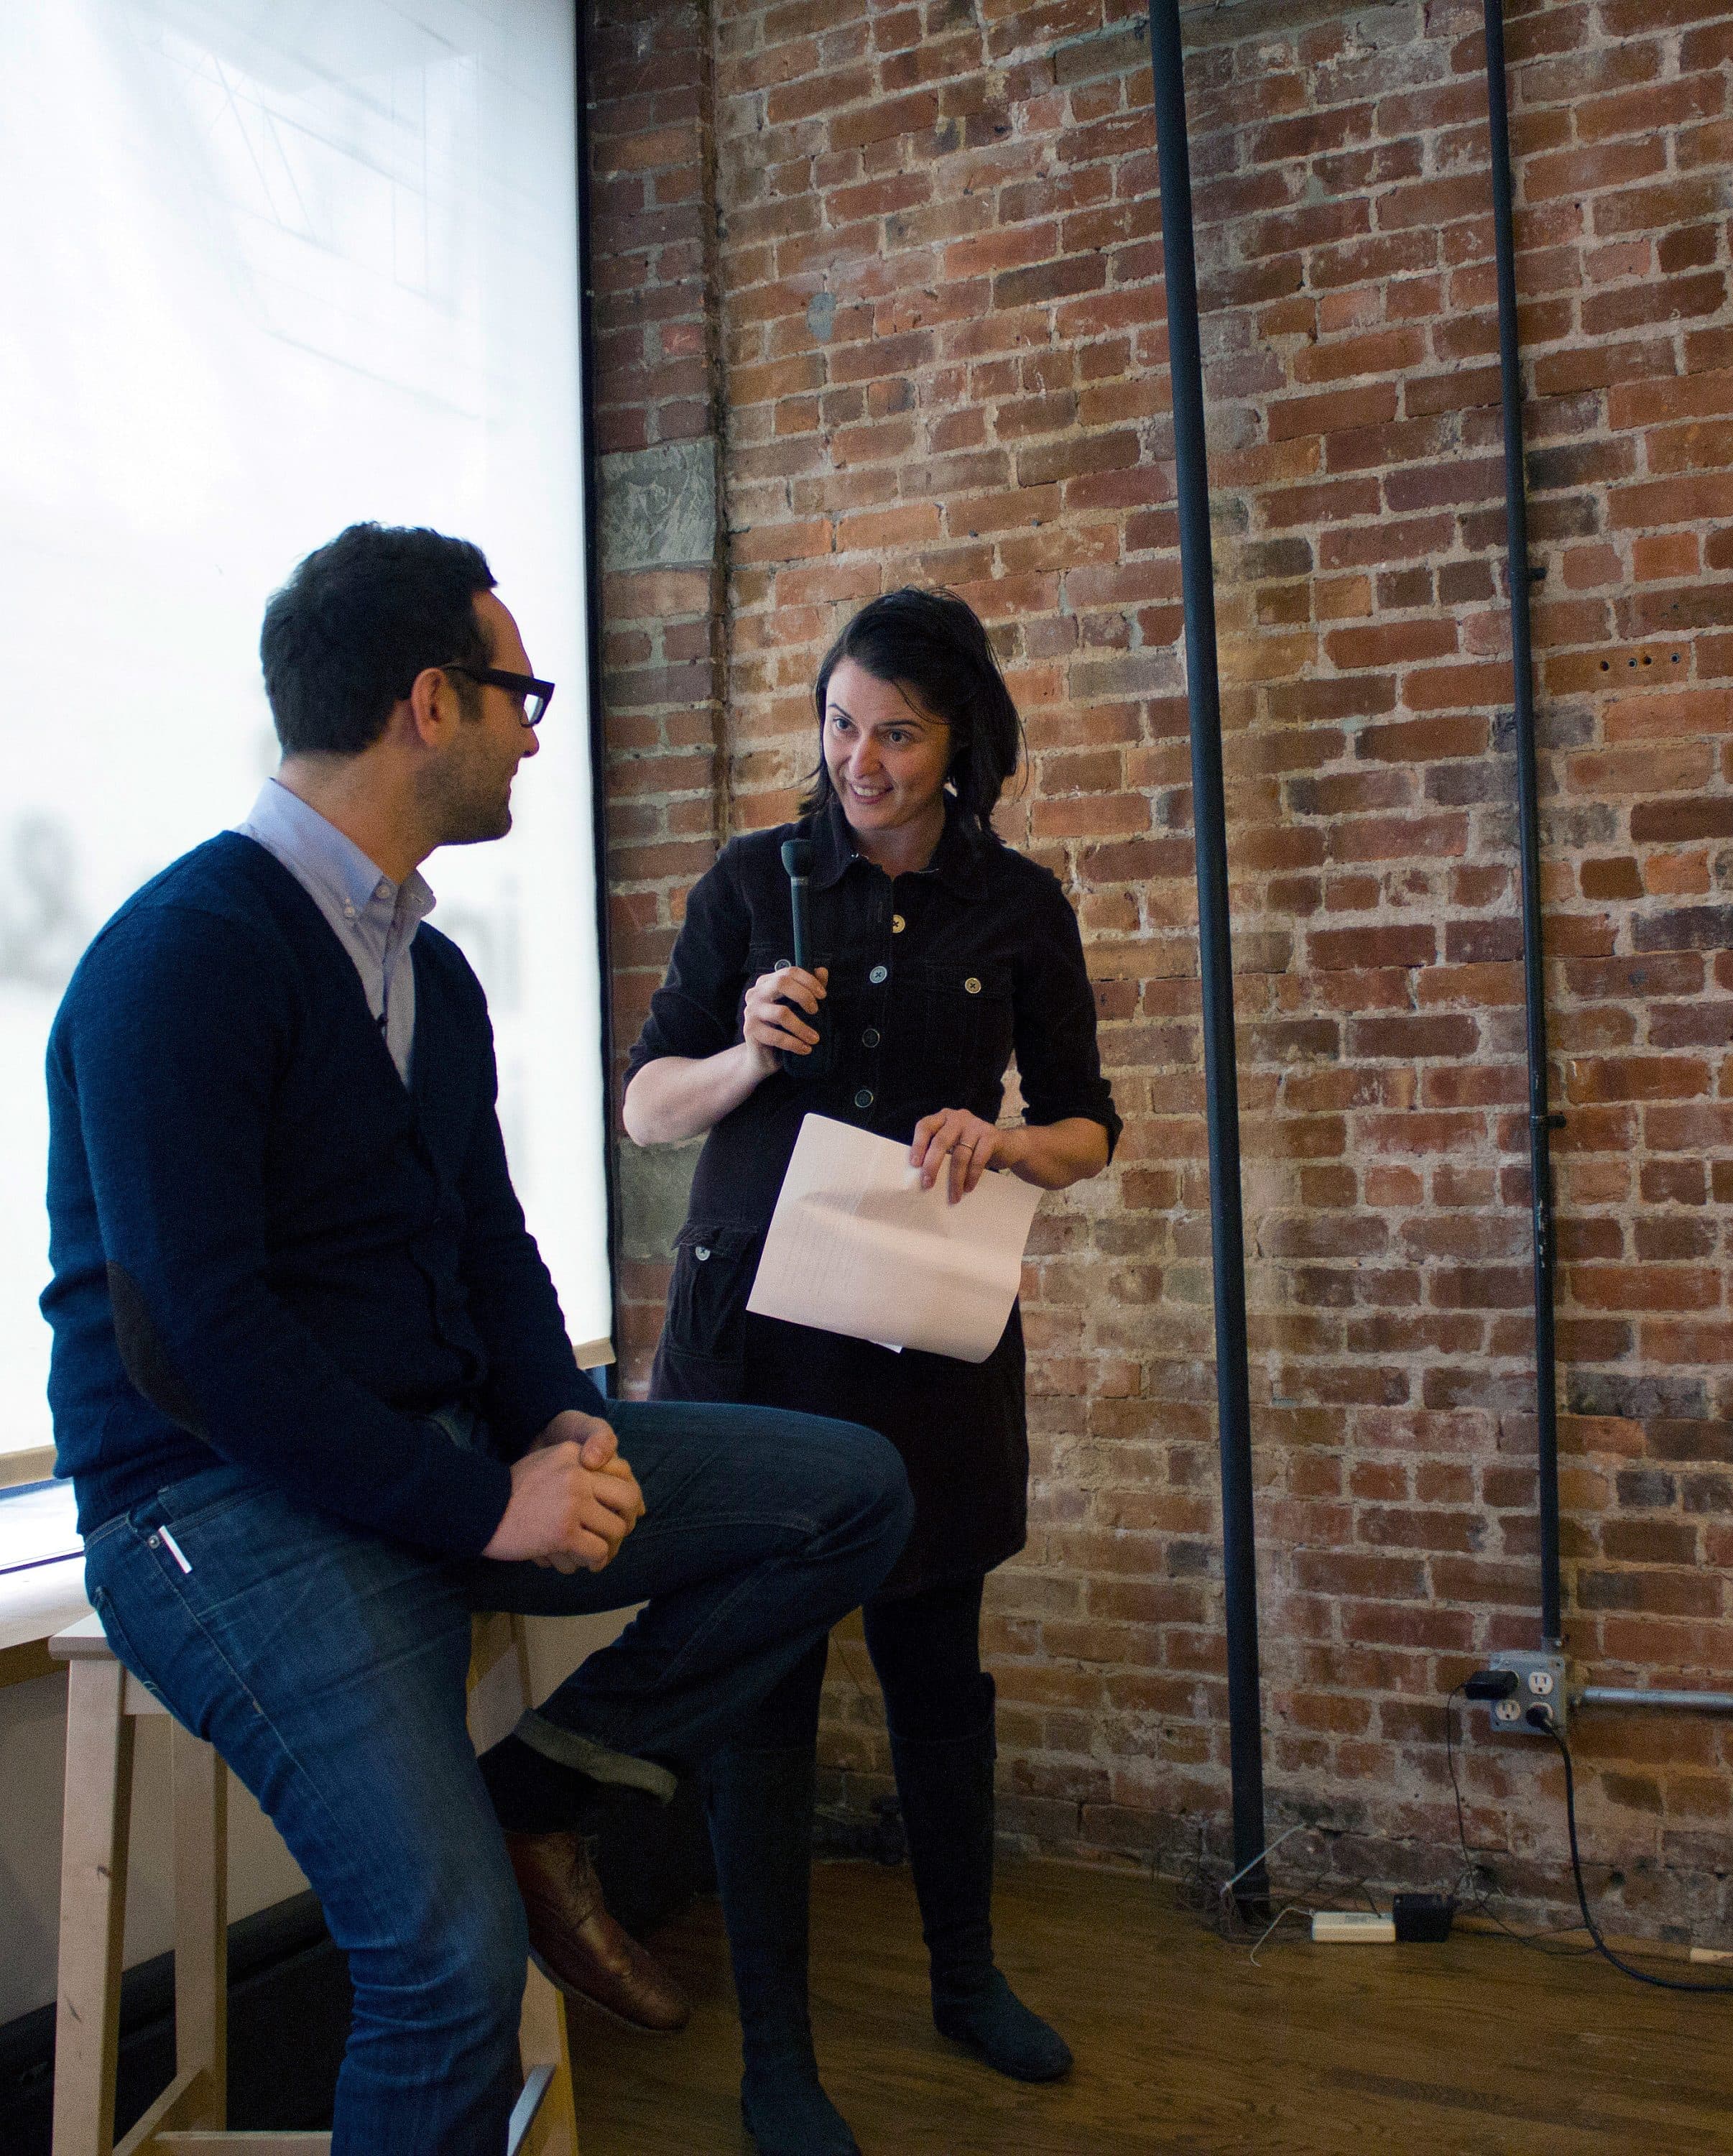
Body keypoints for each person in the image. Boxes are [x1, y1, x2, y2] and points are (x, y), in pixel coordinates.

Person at [42, 524, 914, 2156]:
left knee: (850, 1492)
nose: (536, 726)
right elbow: (199, 1349)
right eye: (518, 692)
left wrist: (554, 1420)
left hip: (440, 1460)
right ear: (428, 703)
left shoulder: (428, 972)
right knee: (445, 1964)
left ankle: (546, 1793)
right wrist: (482, 1509)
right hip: (215, 1509)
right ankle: (508, 1845)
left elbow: (488, 1244)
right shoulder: (183, 956)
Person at [623, 586, 1120, 2156]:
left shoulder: (1021, 902)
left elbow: (1091, 1123)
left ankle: (965, 1982)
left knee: (935, 1674)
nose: (862, 760)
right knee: (765, 1693)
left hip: (922, 1332)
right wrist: (748, 1056)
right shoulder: (747, 886)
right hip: (753, 1349)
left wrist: (1009, 1140)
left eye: (898, 733)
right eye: (843, 725)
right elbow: (647, 1107)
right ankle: (782, 2059)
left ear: (960, 740)